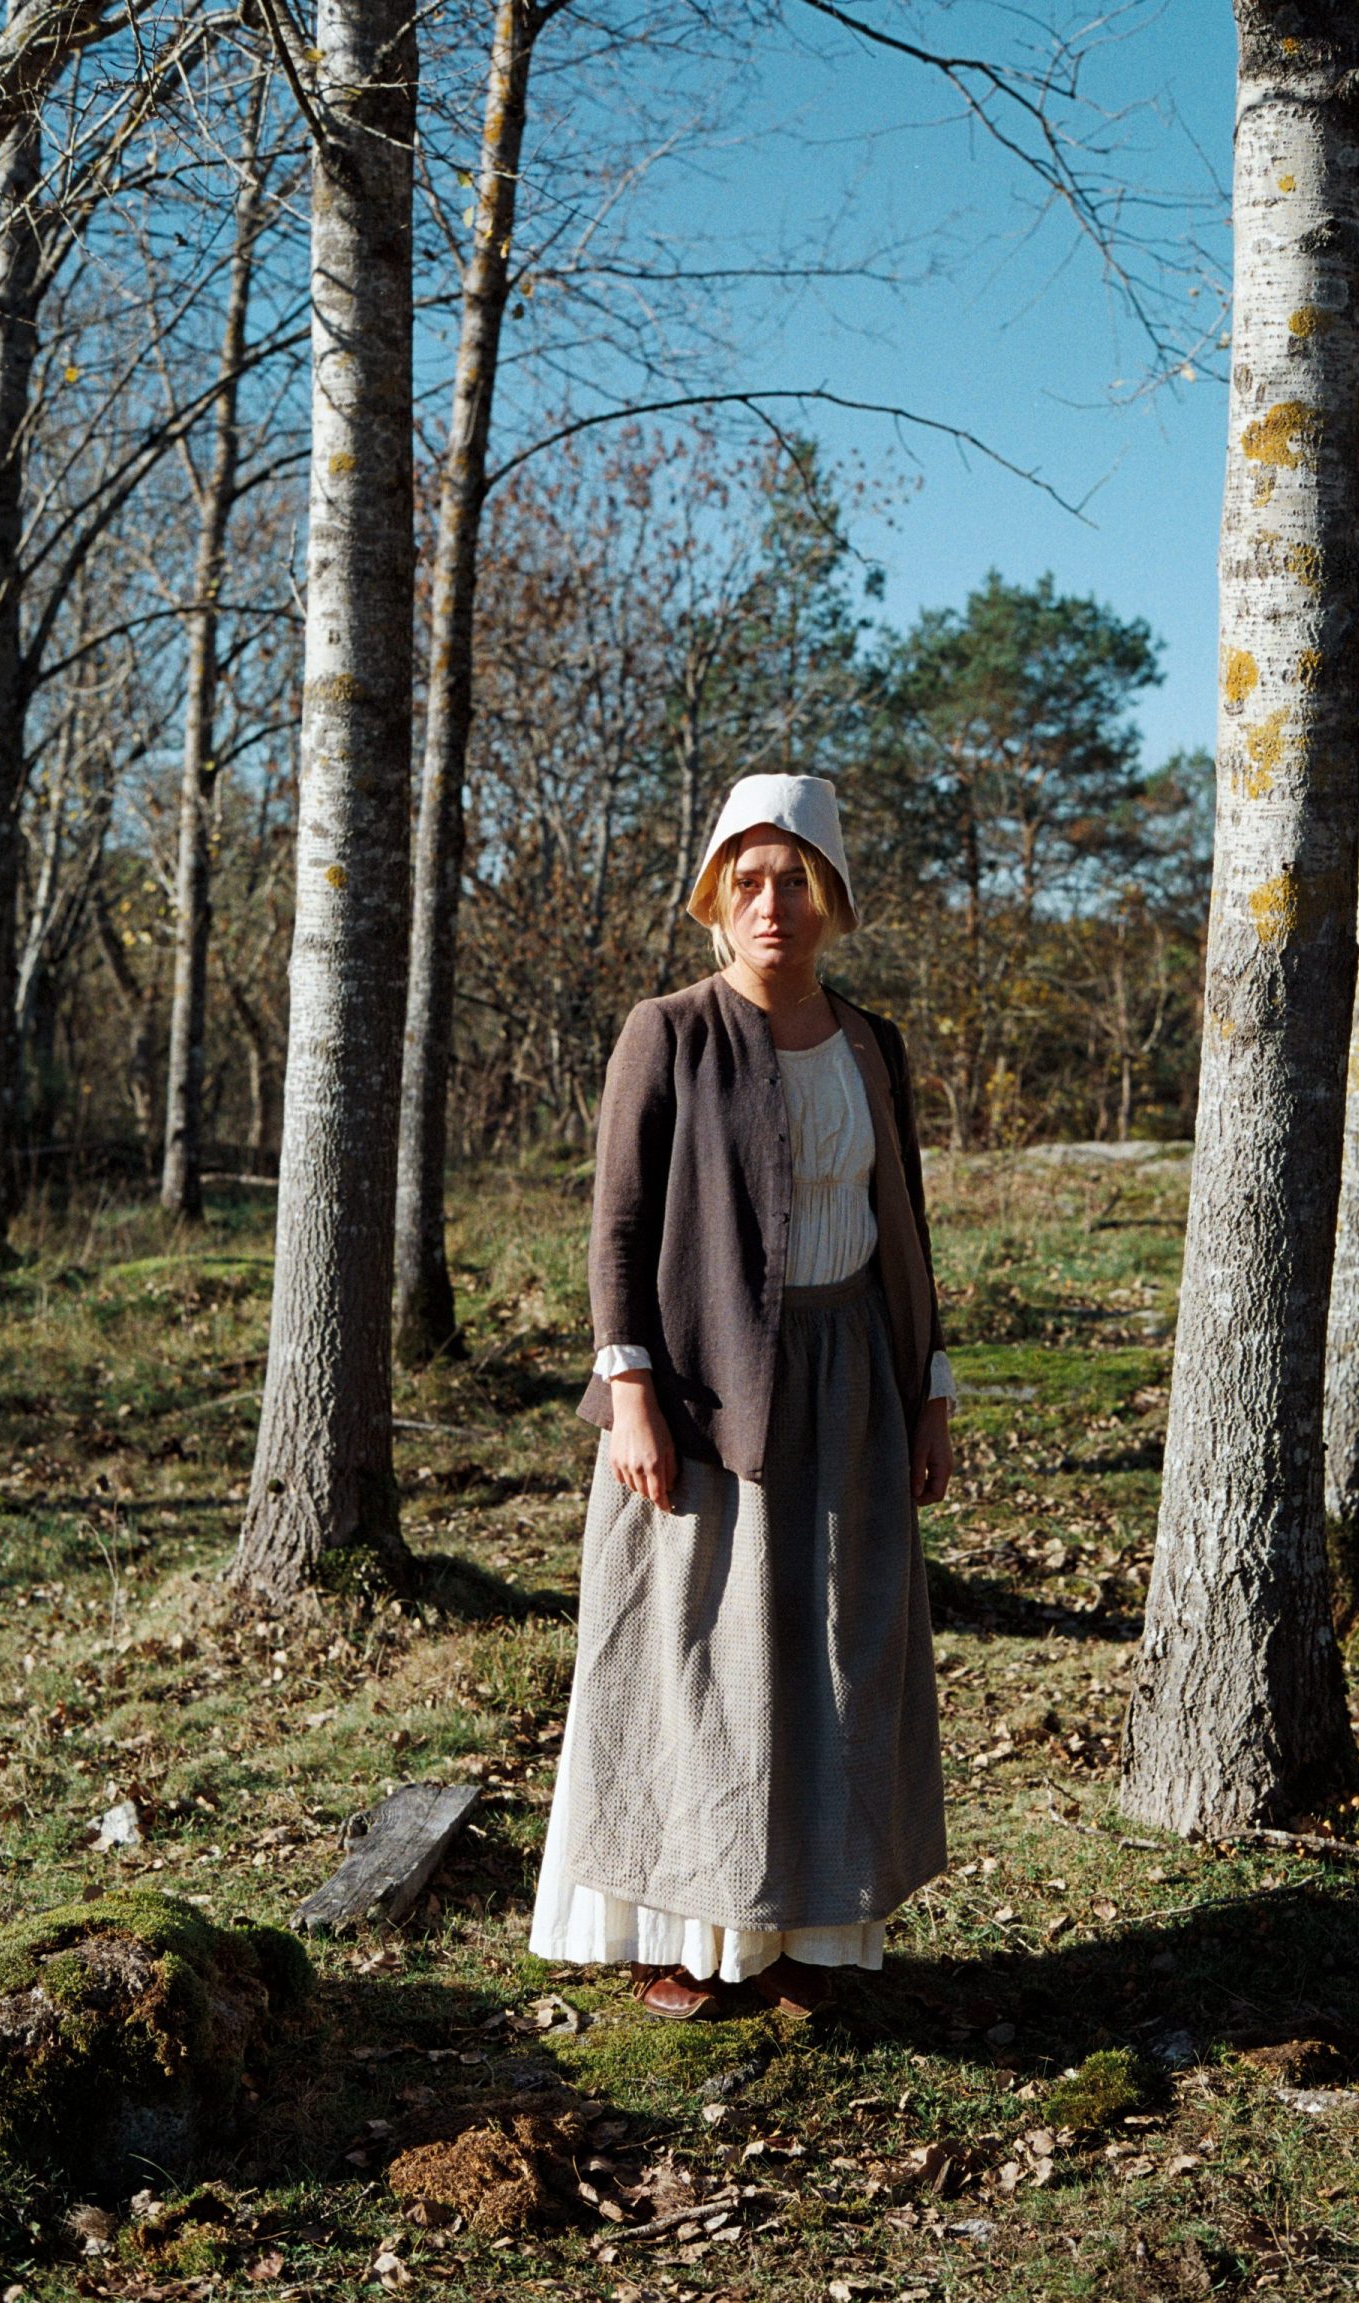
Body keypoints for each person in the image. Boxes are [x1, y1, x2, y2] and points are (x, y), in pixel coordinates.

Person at [529, 772, 955, 2020]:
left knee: (836, 1652)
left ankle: (815, 1931)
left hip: (857, 1385)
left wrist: (928, 1388)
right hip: (713, 1392)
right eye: (749, 880)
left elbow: (905, 1223)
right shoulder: (669, 1031)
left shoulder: (873, 1043)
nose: (773, 903)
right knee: (703, 1660)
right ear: (718, 895)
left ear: (830, 898)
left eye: (797, 880)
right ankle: (702, 1928)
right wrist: (633, 1394)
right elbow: (616, 1226)